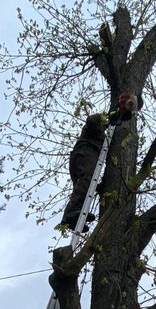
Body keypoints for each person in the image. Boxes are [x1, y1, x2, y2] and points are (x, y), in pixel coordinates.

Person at [61, 93, 143, 231]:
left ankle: (74, 217)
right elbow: (92, 120)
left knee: (85, 185)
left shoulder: (102, 135)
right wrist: (105, 118)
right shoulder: (94, 126)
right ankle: (71, 213)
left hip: (83, 158)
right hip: (84, 153)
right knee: (87, 179)